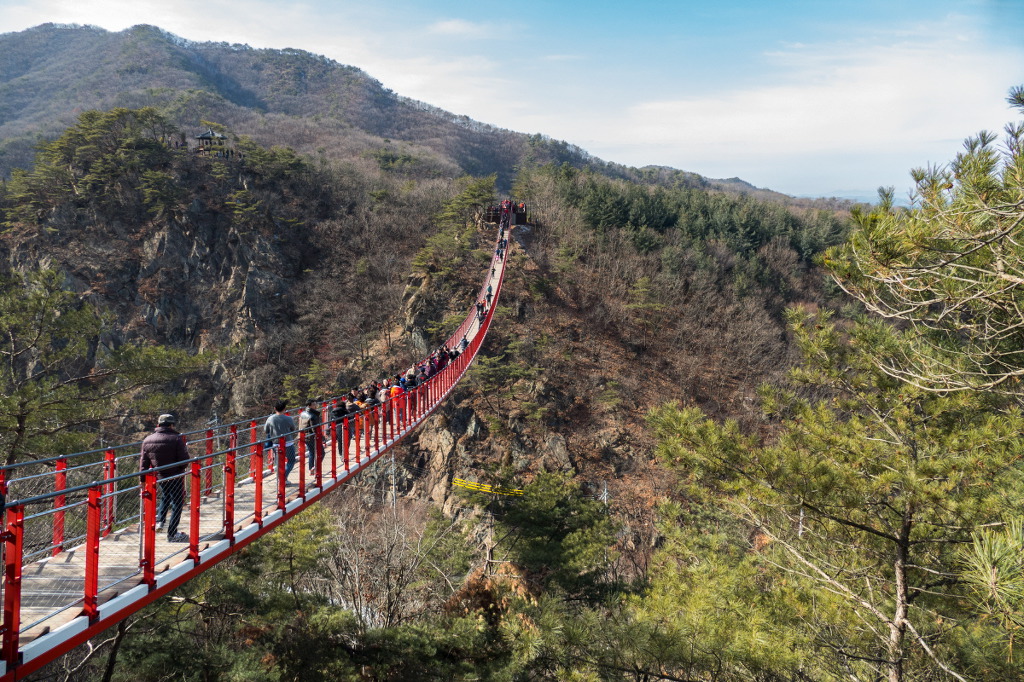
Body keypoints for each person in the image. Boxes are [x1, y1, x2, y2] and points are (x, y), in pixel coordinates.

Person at [140, 413, 190, 543]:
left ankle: (160, 521)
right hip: (175, 475)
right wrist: (180, 468)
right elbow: (184, 460)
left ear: (158, 425)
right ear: (172, 425)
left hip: (160, 476)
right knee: (177, 503)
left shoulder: (147, 440)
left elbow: (144, 463)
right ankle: (172, 534)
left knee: (165, 496)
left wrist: (142, 480)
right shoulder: (176, 439)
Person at [264, 401, 297, 484]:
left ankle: (281, 478)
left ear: (275, 408)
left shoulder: (270, 418)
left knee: (279, 462)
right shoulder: (288, 418)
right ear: (285, 409)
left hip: (276, 444)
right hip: (288, 443)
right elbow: (293, 429)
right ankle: (284, 477)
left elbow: (266, 430)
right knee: (292, 460)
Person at [297, 399, 322, 472]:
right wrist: (321, 437)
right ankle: (315, 467)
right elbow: (314, 428)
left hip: (303, 435)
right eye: (314, 404)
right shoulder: (313, 415)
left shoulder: (302, 413)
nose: (315, 406)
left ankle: (311, 468)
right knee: (321, 452)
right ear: (309, 405)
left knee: (311, 452)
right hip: (311, 436)